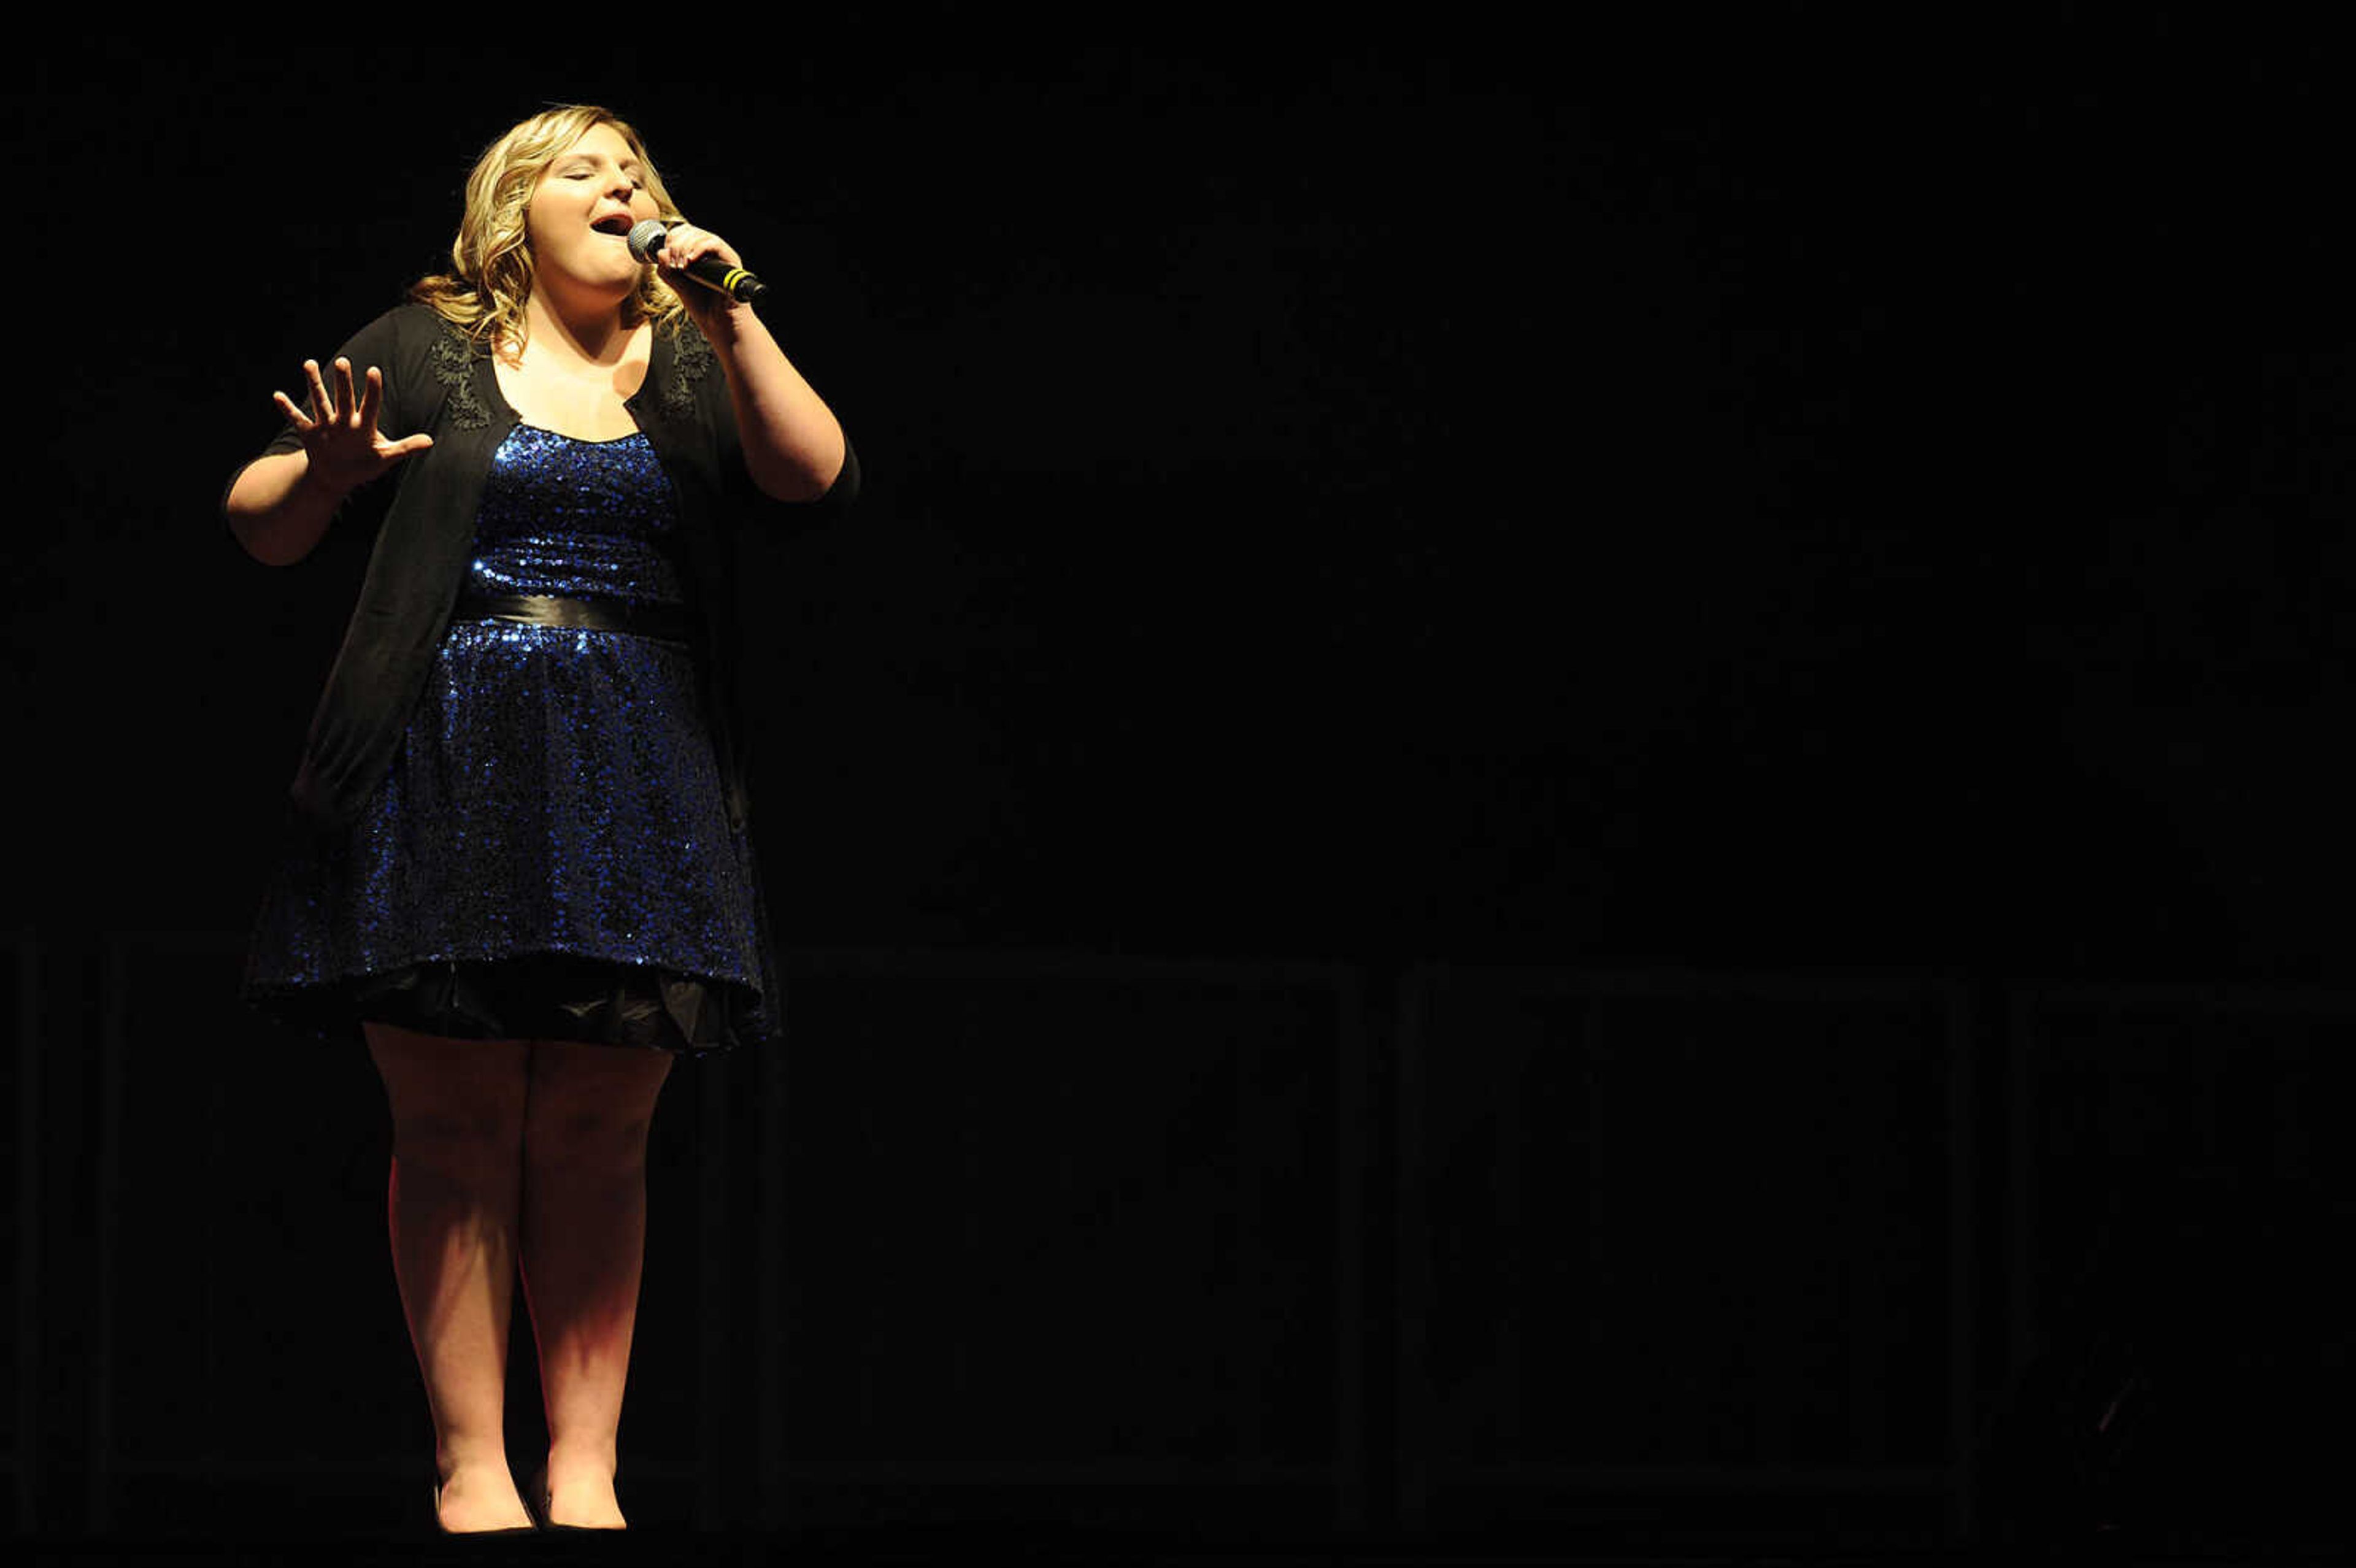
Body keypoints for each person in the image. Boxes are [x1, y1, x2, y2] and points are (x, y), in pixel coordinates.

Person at [222, 104, 855, 1535]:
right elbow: (259, 518)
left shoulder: (691, 354)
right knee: (448, 1119)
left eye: (636, 173)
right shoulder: (428, 341)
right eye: (585, 170)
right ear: (516, 210)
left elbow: (814, 476)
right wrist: (326, 473)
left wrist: (734, 310)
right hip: (442, 750)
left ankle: (584, 1467)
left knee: (597, 1127)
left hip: (638, 765)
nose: (621, 188)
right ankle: (472, 1466)